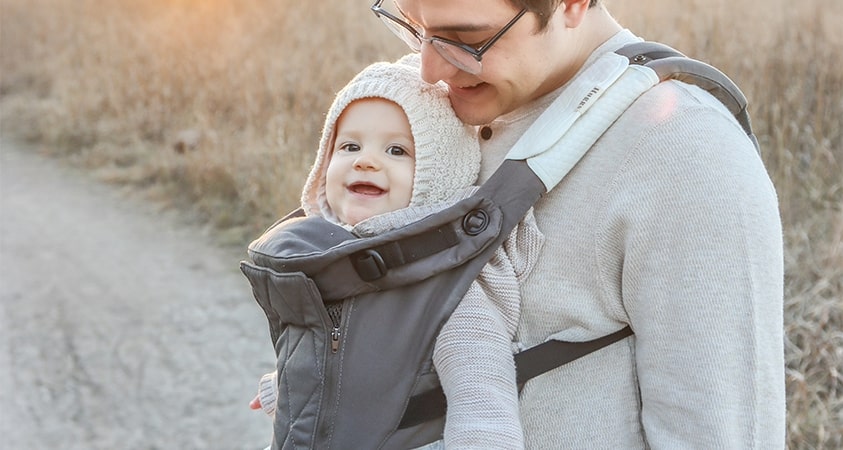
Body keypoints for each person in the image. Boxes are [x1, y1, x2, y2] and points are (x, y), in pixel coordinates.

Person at [368, 0, 786, 448]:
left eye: (466, 40)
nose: (430, 69)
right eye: (414, 28)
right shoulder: (424, 111)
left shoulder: (688, 152)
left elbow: (719, 434)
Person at [250, 56, 544, 449]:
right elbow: (344, 355)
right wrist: (285, 388)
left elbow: (484, 408)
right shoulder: (330, 261)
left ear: (440, 174)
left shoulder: (447, 290)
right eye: (350, 145)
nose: (366, 160)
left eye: (397, 151)